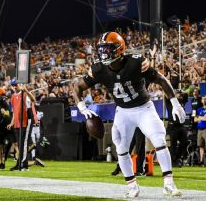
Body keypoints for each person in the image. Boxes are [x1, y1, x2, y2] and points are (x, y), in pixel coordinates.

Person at [73, 32, 185, 198]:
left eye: (108, 49)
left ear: (119, 49)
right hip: (123, 112)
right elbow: (77, 87)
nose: (104, 53)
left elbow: (161, 80)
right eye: (101, 49)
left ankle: (168, 183)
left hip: (144, 108)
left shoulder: (136, 62)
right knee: (121, 148)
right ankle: (132, 186)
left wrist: (175, 103)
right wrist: (81, 107)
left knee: (159, 140)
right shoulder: (98, 69)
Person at [7, 79, 36, 171]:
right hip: (17, 122)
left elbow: (33, 100)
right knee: (20, 144)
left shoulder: (24, 94)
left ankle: (22, 164)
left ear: (19, 85)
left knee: (24, 143)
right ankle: (21, 163)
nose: (15, 86)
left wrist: (26, 91)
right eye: (13, 85)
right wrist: (12, 122)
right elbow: (15, 112)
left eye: (16, 85)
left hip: (26, 120)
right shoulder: (12, 97)